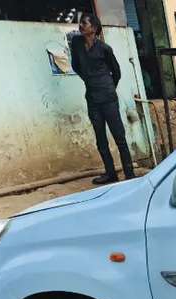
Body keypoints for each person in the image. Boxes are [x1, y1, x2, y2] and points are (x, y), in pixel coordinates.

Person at [69, 13, 135, 184]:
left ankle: (129, 174)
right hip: (92, 97)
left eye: (85, 23)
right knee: (100, 139)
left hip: (108, 97)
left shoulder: (105, 49)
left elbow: (117, 72)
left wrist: (107, 86)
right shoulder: (76, 43)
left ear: (94, 28)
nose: (81, 25)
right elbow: (75, 65)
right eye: (81, 23)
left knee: (119, 136)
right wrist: (89, 79)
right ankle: (110, 173)